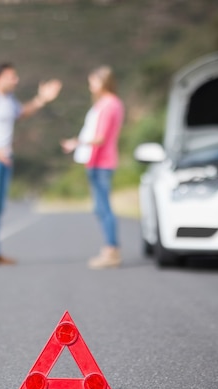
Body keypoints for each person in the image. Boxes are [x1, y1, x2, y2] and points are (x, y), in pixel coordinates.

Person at [0, 62, 62, 267]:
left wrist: (41, 99)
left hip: (5, 158)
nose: (16, 80)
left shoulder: (8, 100)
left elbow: (22, 113)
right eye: (12, 76)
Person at [60, 66, 124, 269]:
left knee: (104, 207)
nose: (90, 86)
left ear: (103, 82)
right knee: (99, 207)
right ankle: (110, 248)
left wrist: (77, 143)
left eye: (93, 82)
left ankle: (111, 250)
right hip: (95, 161)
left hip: (102, 162)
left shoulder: (110, 104)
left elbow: (100, 137)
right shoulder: (104, 104)